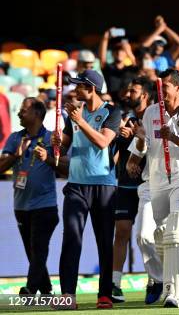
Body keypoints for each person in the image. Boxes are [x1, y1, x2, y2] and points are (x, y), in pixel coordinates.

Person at [127, 69, 179, 308]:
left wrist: (173, 138)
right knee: (162, 237)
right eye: (158, 89)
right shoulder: (151, 112)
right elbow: (145, 146)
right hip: (157, 181)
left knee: (177, 232)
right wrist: (140, 139)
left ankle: (176, 293)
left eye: (165, 88)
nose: (160, 93)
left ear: (178, 88)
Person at [51, 69, 122, 309]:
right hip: (76, 186)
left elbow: (103, 142)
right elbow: (66, 144)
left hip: (104, 185)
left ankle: (104, 295)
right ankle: (68, 295)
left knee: (104, 241)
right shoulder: (73, 114)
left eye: (78, 86)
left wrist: (80, 121)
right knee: (71, 238)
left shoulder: (112, 112)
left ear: (90, 88)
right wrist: (57, 141)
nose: (74, 90)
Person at [0, 98, 67, 296]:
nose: (19, 114)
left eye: (23, 110)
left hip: (45, 205)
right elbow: (1, 167)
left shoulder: (51, 139)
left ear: (37, 113)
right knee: (32, 251)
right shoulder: (14, 138)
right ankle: (46, 290)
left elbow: (65, 168)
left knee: (38, 247)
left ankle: (31, 288)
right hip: (21, 206)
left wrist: (49, 159)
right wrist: (15, 156)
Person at [110, 77, 157, 303]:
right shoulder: (126, 120)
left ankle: (154, 279)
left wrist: (140, 137)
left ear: (145, 95)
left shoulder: (156, 118)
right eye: (129, 90)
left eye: (134, 90)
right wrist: (121, 137)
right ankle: (115, 284)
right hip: (126, 185)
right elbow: (115, 157)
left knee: (149, 235)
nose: (129, 94)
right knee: (122, 231)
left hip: (151, 185)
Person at [99, 29, 138, 103]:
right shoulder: (109, 68)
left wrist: (128, 50)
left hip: (128, 103)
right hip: (111, 104)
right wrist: (105, 37)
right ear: (112, 53)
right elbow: (102, 59)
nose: (119, 52)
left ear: (126, 53)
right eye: (116, 50)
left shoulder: (130, 69)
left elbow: (137, 64)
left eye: (122, 50)